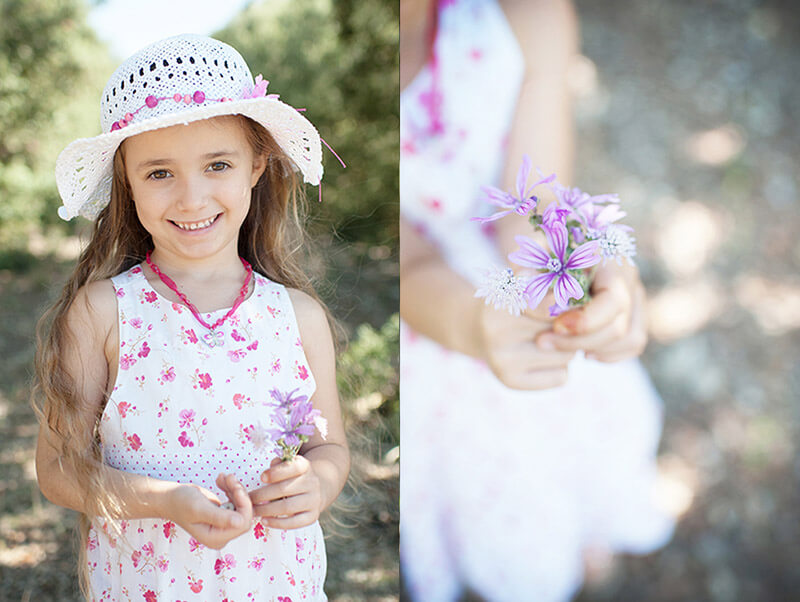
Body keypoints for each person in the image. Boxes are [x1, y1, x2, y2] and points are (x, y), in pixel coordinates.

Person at [34, 34, 349, 601]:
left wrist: (317, 484)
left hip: (275, 584)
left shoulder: (297, 316)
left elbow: (329, 447)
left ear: (256, 165)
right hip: (149, 584)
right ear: (127, 183)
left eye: (217, 165)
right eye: (159, 173)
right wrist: (163, 499)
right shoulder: (105, 312)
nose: (192, 198)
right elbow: (59, 467)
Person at [400, 1, 674, 600]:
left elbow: (536, 203)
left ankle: (585, 521)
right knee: (492, 483)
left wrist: (601, 262)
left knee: (574, 429)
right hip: (437, 311)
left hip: (516, 280)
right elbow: (409, 263)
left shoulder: (528, 16)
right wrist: (472, 325)